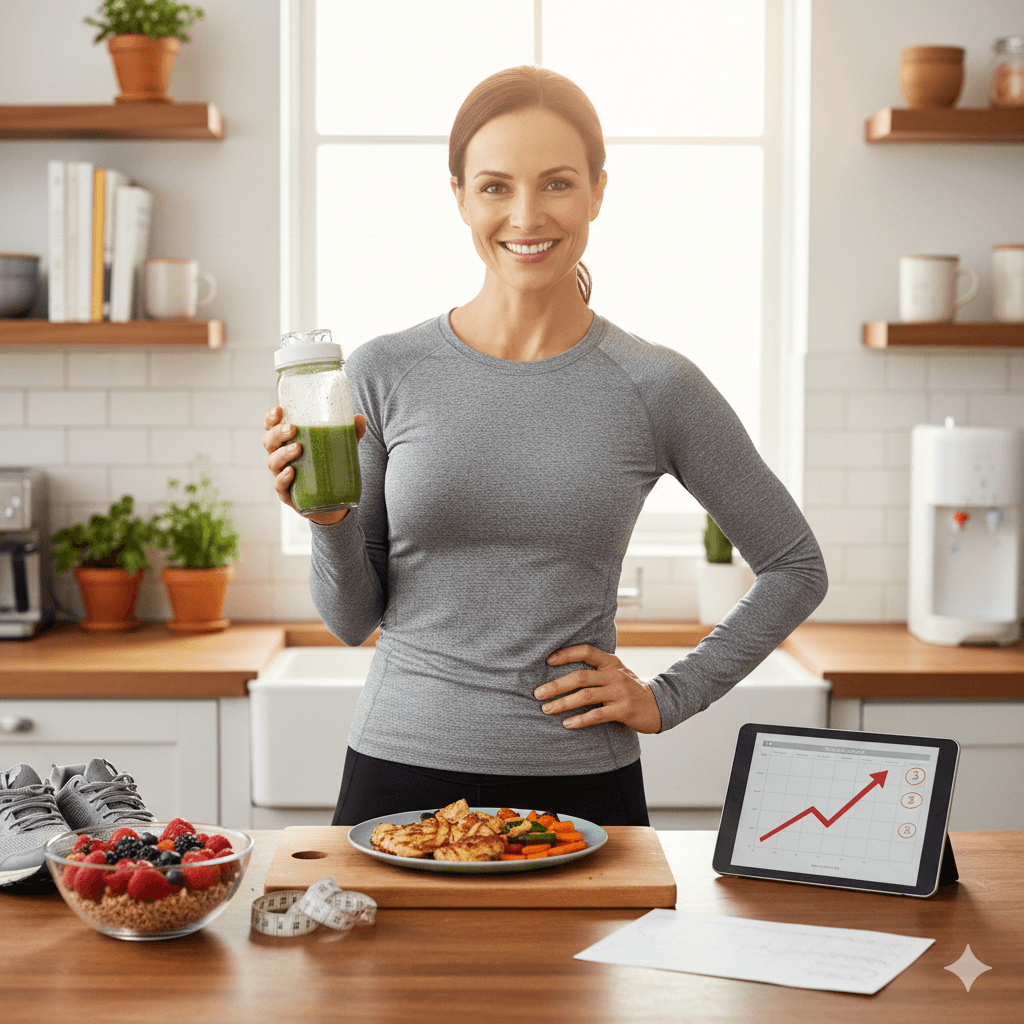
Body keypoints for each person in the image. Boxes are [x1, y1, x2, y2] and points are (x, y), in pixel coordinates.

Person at [262, 66, 828, 827]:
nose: (526, 215)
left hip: (580, 782)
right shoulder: (381, 372)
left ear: (598, 191)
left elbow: (796, 567)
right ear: (458, 195)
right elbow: (351, 619)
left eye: (556, 183)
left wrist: (667, 698)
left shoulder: (655, 384)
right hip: (397, 775)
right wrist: (325, 519)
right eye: (495, 186)